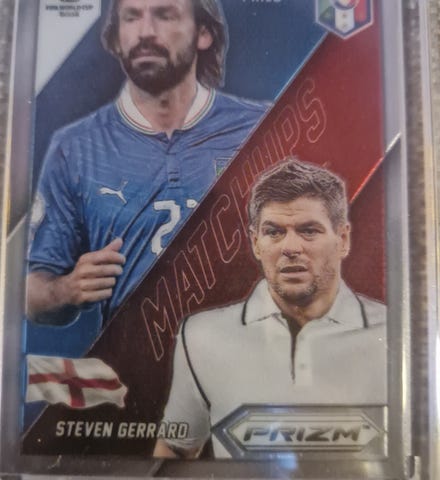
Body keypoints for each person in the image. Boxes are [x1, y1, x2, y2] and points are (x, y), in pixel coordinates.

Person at [26, 0, 266, 325]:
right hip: (133, 354)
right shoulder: (76, 147)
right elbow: (30, 293)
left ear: (203, 33)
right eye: (131, 17)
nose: (146, 32)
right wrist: (66, 290)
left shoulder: (260, 128)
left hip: (244, 349)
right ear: (116, 39)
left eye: (164, 15)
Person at [153, 158, 387, 458]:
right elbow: (174, 450)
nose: (290, 248)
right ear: (255, 242)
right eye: (274, 232)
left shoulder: (396, 335)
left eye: (308, 230)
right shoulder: (201, 336)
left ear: (342, 239)